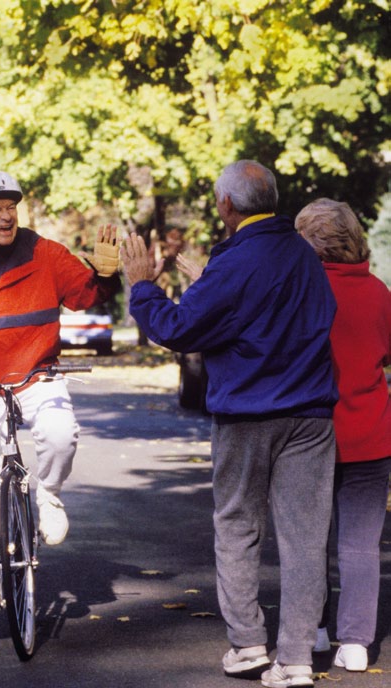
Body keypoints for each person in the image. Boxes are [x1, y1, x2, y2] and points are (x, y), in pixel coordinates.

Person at [121, 160, 338, 688]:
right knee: (306, 537)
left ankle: (247, 645)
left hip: (248, 413)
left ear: (226, 206)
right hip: (311, 414)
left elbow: (176, 328)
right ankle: (296, 659)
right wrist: (209, 282)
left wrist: (141, 285)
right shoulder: (303, 256)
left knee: (238, 527)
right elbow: (285, 314)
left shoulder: (237, 261)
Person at [0, 170, 120, 612]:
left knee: (59, 433)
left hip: (36, 373)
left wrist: (104, 276)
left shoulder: (45, 253)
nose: (6, 217)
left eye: (11, 208)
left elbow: (85, 294)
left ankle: (48, 494)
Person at [295, 198, 391, 672]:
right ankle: (356, 641)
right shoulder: (378, 292)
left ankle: (313, 630)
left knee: (309, 539)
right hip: (371, 434)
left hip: (310, 433)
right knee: (360, 543)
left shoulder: (300, 291)